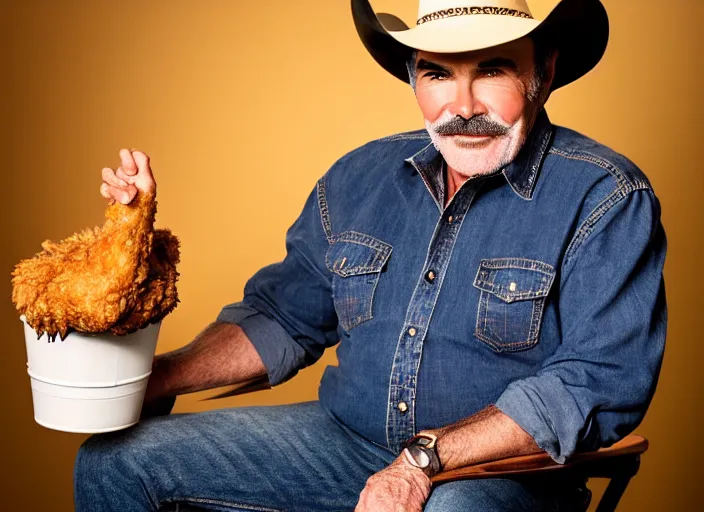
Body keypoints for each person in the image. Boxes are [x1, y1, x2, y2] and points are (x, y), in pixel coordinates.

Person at [75, 0, 667, 510]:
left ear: (544, 70)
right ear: (413, 78)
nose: (461, 106)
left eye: (491, 70)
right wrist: (155, 379)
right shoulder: (358, 178)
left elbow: (596, 381)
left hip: (505, 475)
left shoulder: (605, 195)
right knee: (114, 461)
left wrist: (422, 461)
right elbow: (284, 319)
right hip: (344, 445)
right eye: (437, 74)